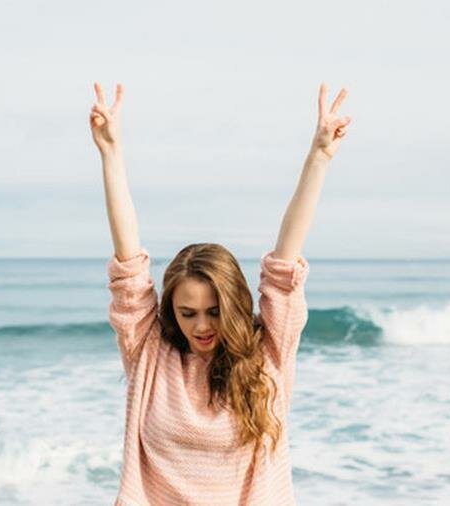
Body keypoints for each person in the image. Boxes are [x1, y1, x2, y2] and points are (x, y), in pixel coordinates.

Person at [90, 81, 351, 505]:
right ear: (170, 311)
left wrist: (319, 157)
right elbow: (128, 266)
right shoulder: (150, 353)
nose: (202, 325)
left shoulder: (268, 352)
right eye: (187, 312)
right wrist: (111, 153)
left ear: (234, 304)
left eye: (214, 311)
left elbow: (285, 263)